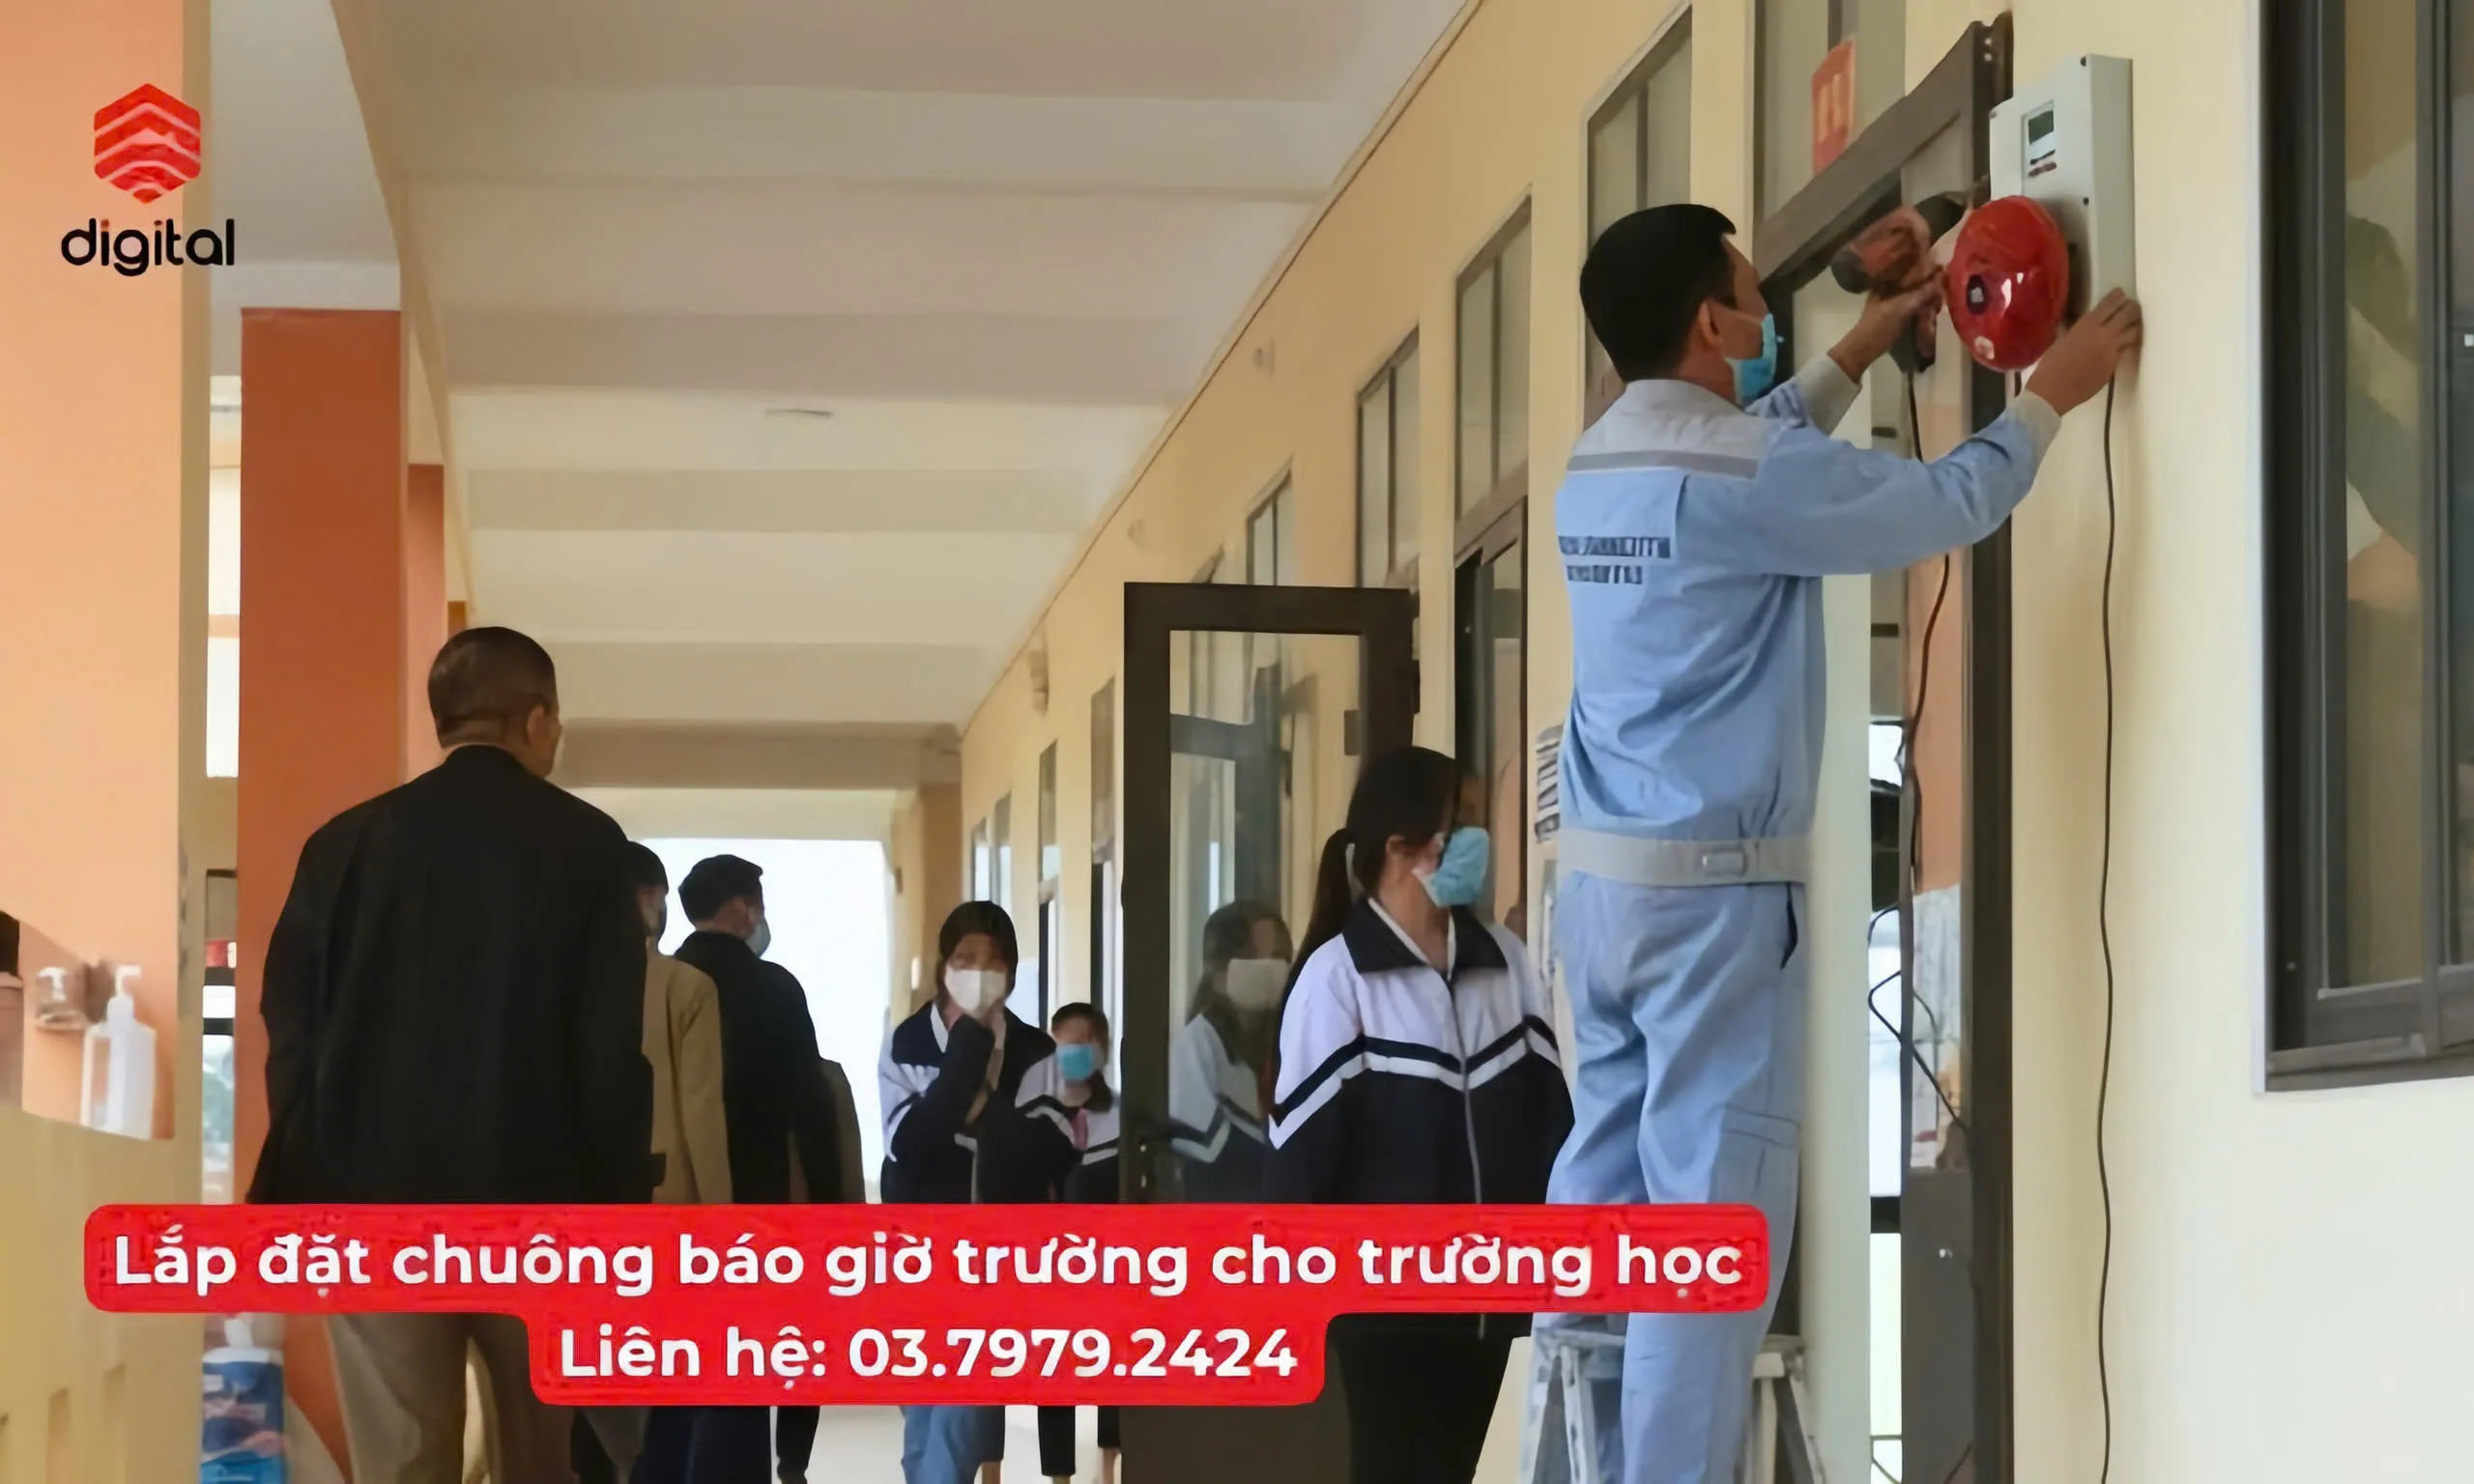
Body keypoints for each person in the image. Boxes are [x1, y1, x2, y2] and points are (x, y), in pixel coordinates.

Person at [1547, 203, 2141, 1483]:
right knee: (1704, 1241)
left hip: (1599, 902)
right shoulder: (1743, 476)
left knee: (1603, 1211)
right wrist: (2052, 391)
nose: (1764, 313)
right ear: (1710, 325)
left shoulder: (1596, 465)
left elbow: (1748, 456)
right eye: (1750, 295)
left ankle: (1567, 1459)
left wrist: (1865, 344)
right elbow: (1945, 500)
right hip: (1709, 918)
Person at [250, 626, 652, 1484]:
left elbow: (292, 1028)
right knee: (538, 1461)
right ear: (536, 720)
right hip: (538, 1208)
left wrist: (305, 1183)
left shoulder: (344, 845)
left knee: (401, 1461)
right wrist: (617, 1211)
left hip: (372, 1207)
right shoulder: (586, 844)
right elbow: (608, 1050)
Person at [1265, 745, 1573, 1484]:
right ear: (1402, 848)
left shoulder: (1504, 961)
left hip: (1500, 1304)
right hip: (1388, 1318)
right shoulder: (1338, 980)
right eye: (1461, 821)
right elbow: (1301, 1168)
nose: (1478, 840)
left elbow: (1552, 1128)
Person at [641, 853, 849, 1484]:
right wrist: (827, 1204)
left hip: (671, 1201)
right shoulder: (774, 988)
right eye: (756, 902)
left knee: (674, 1362)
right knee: (743, 1363)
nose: (761, 916)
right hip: (762, 1200)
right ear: (739, 907)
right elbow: (808, 1103)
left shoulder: (662, 983)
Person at [879, 901, 1079, 1484]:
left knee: (961, 1408)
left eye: (993, 961)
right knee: (923, 1419)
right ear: (944, 965)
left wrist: (974, 1108)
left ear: (1012, 973)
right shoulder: (907, 1043)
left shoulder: (1038, 1053)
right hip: (918, 1250)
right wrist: (969, 1058)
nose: (978, 972)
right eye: (965, 959)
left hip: (999, 1255)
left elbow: (1049, 1150)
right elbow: (910, 1144)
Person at [574, 845, 734, 1484]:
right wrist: (724, 1231)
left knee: (591, 1389)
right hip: (669, 1217)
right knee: (669, 1392)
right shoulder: (684, 987)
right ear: (648, 900)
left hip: (580, 1223)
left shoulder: (562, 988)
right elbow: (701, 1115)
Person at [1036, 1001, 1122, 1484]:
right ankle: (1059, 1476)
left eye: (1081, 1044)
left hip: (1112, 1264)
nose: (1070, 1055)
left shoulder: (1123, 1117)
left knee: (1116, 1366)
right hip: (1054, 1265)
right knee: (1055, 1371)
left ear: (1102, 1048)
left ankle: (1111, 1465)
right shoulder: (1039, 1119)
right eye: (1061, 1046)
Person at [1167, 899, 1291, 1200]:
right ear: (1219, 968)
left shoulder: (1289, 1038)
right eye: (1254, 958)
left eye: (1279, 958)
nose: (1271, 969)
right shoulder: (1197, 1045)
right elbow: (1210, 1155)